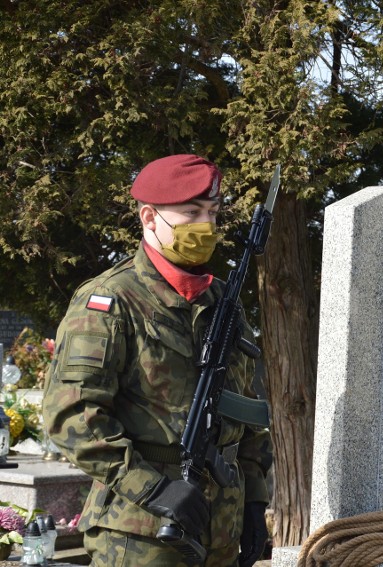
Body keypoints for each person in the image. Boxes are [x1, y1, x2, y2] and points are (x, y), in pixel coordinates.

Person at [43, 154, 273, 567]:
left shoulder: (223, 301)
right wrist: (152, 489)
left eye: (212, 212)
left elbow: (246, 409)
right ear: (150, 217)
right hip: (140, 532)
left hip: (220, 526)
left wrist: (254, 499)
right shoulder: (110, 302)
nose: (205, 225)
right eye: (190, 212)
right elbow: (72, 417)